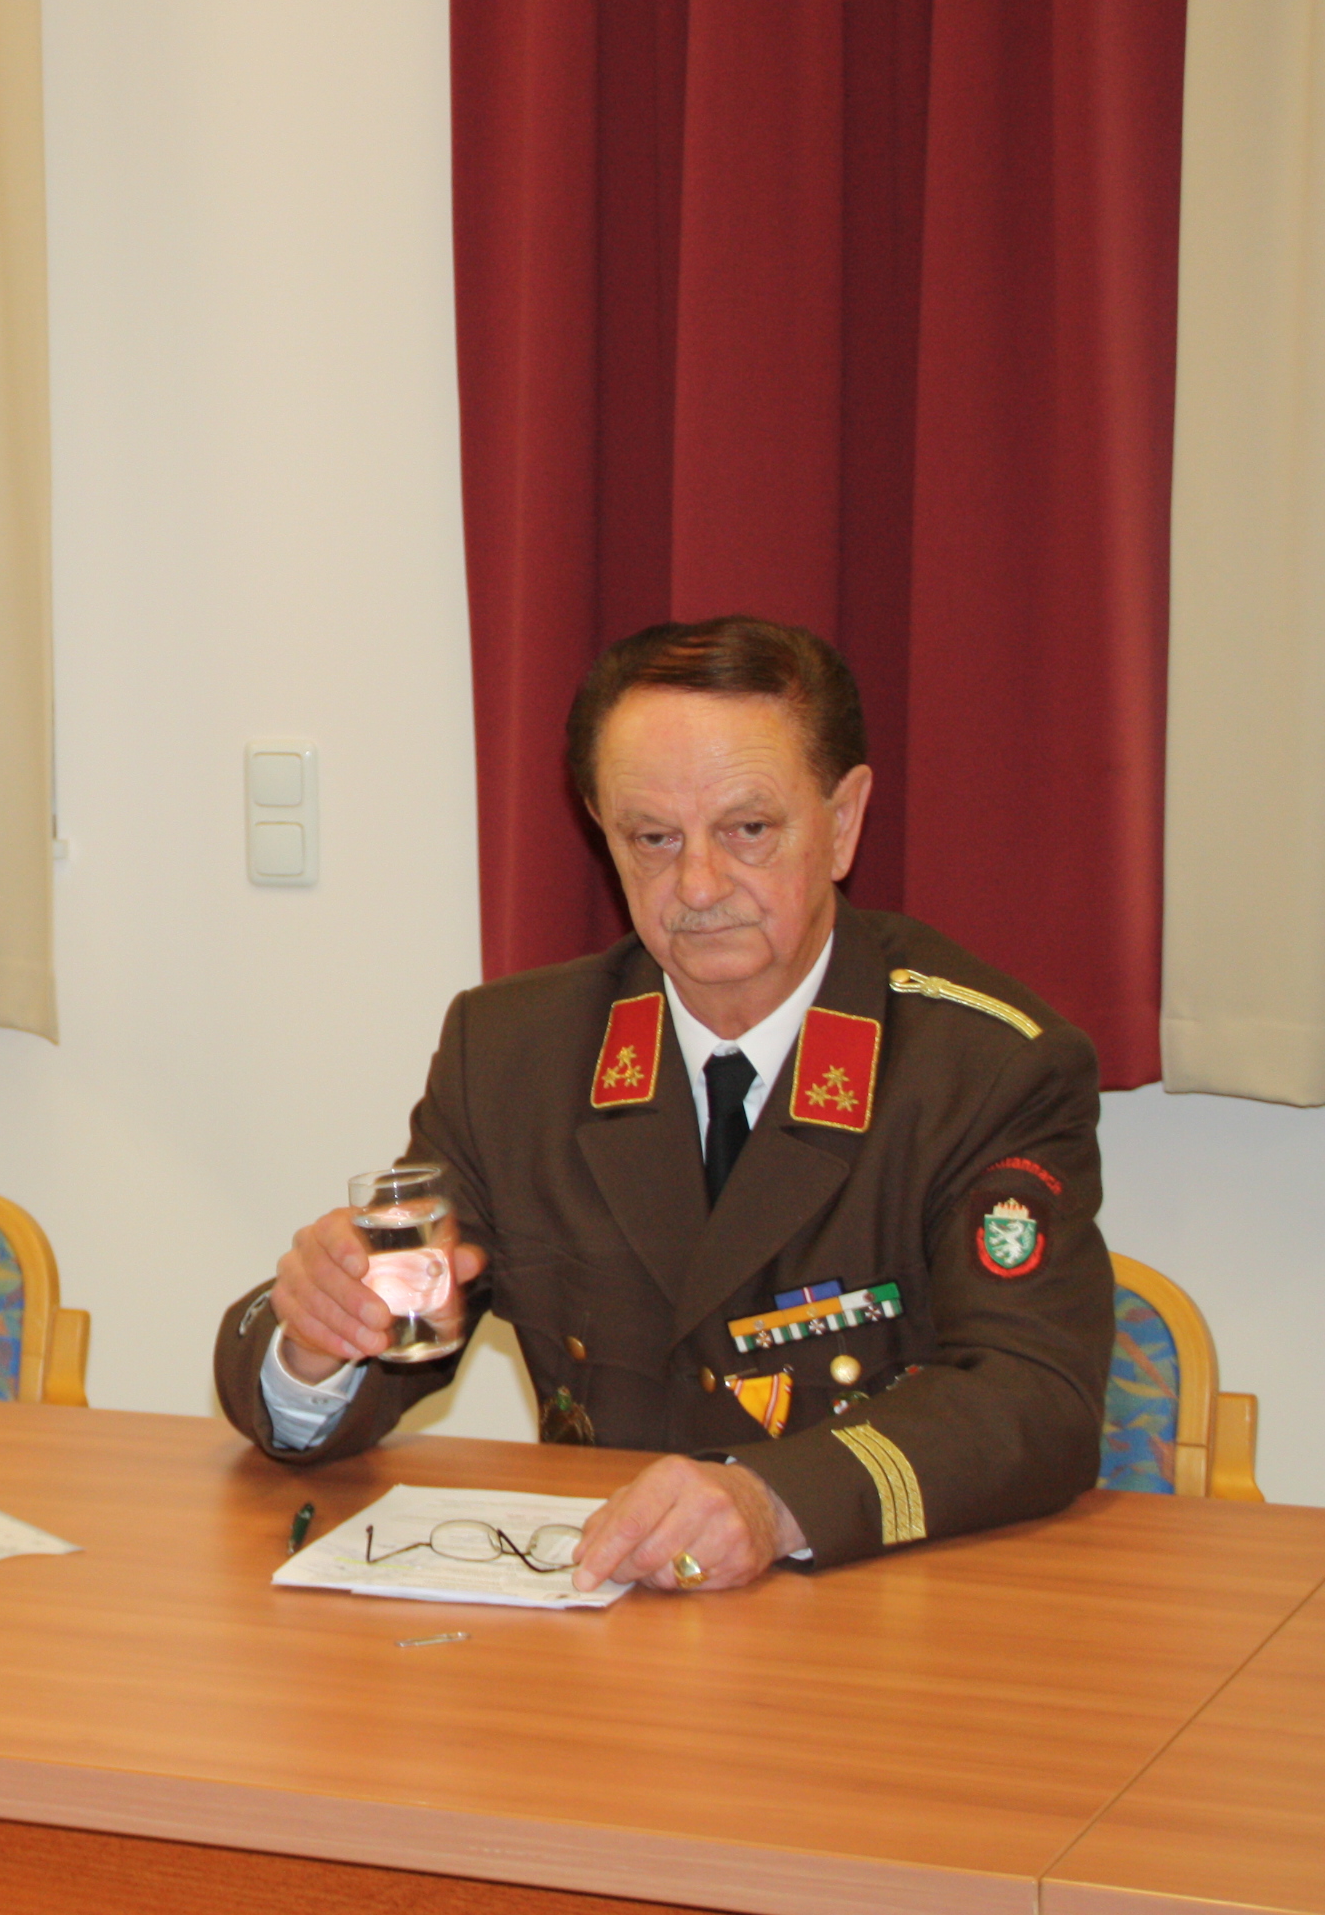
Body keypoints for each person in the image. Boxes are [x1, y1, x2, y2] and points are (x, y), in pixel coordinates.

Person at [215, 616, 1109, 1595]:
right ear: (602, 831)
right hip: (600, 1614)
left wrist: (774, 1501)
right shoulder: (514, 1054)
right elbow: (403, 1315)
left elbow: (1034, 1396)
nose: (697, 885)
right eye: (653, 838)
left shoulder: (982, 1065)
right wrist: (320, 1341)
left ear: (844, 820)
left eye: (748, 830)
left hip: (877, 1613)